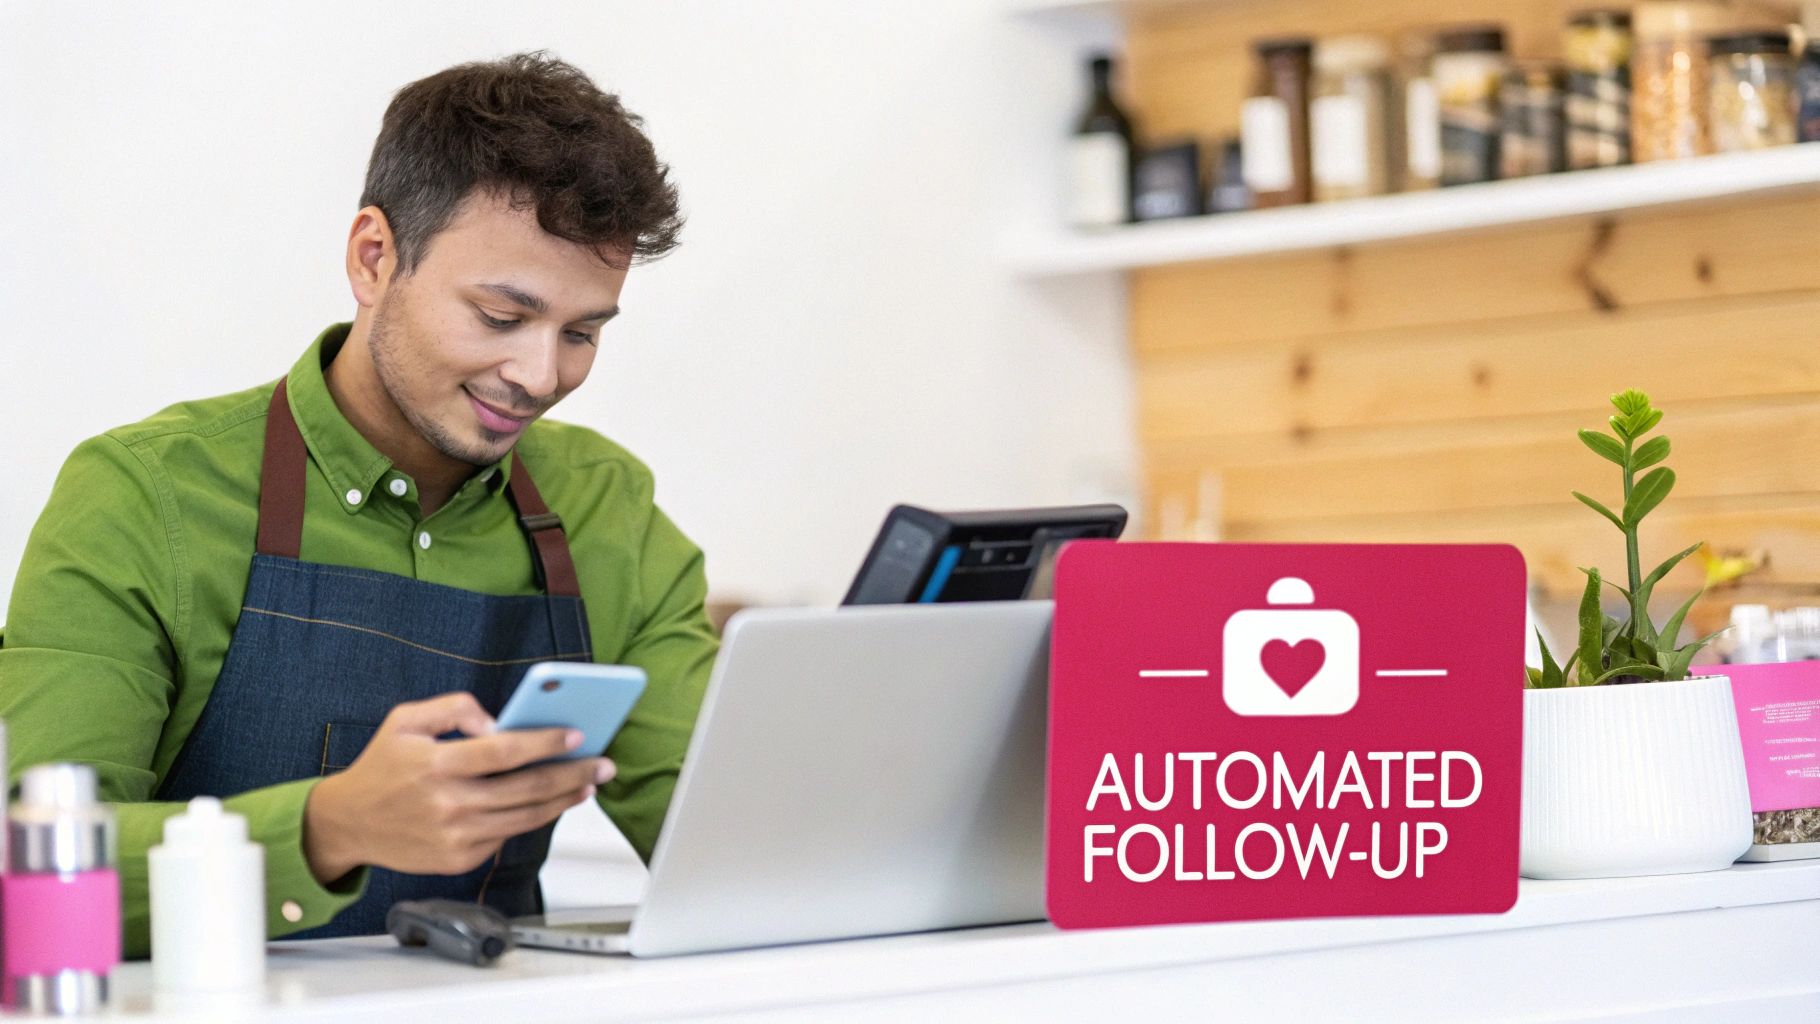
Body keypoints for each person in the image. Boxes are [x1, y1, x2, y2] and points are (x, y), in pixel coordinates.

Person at [0, 51, 716, 956]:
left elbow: (733, 844)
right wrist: (329, 827)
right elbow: (33, 883)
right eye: (501, 317)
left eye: (580, 333)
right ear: (375, 257)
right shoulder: (144, 496)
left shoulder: (608, 508)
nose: (541, 376)